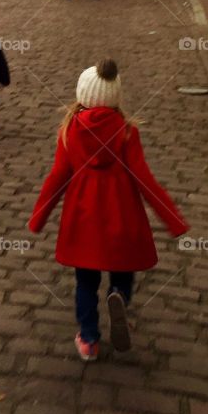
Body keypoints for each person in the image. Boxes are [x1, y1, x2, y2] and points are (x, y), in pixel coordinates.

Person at [28, 59, 189, 361]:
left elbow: (57, 178)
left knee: (85, 282)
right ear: (115, 97)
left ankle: (88, 338)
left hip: (83, 220)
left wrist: (38, 217)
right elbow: (146, 180)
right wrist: (174, 219)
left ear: (82, 95)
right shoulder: (127, 133)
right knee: (123, 270)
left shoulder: (70, 132)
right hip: (121, 217)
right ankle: (119, 296)